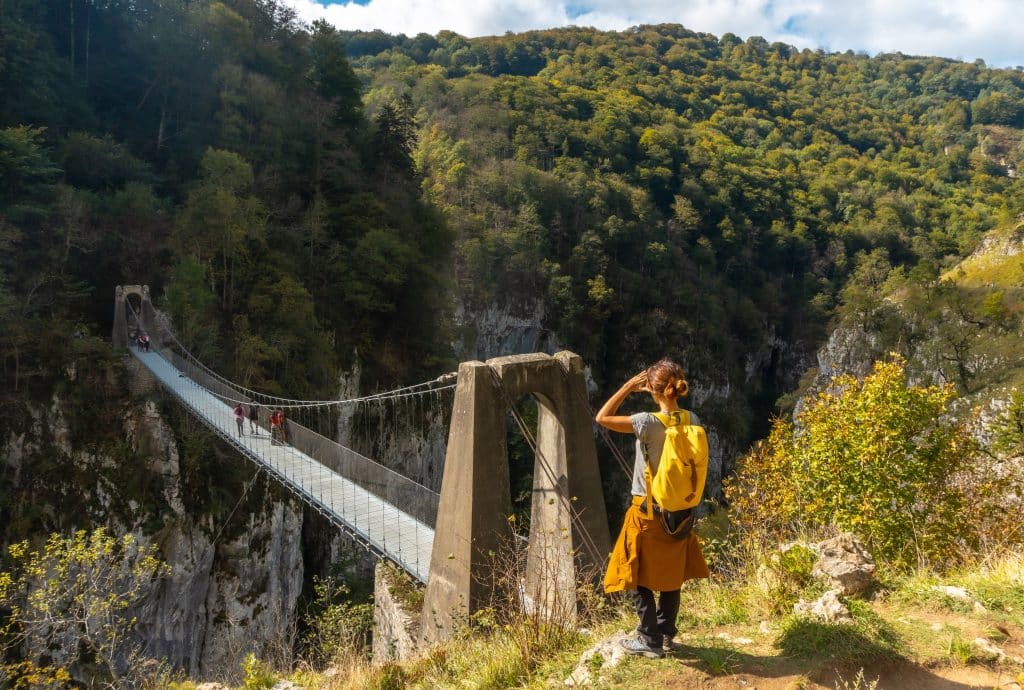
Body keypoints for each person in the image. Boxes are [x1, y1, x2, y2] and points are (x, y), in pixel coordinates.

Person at [595, 358, 710, 659]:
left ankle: (649, 638)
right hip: (682, 511)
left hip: (647, 509)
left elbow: (602, 417)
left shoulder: (646, 422)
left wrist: (627, 387)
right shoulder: (692, 420)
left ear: (654, 389)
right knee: (672, 574)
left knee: (631, 568)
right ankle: (666, 634)